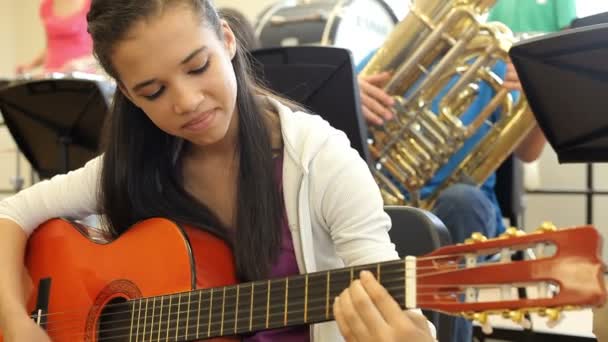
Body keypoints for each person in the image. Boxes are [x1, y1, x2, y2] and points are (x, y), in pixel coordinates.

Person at [0, 0, 435, 341]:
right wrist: (17, 322)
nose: (187, 101)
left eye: (197, 66)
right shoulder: (139, 164)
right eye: (153, 91)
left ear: (226, 40)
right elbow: (12, 215)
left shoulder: (321, 160)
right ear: (129, 97)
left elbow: (389, 298)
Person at [356, 47, 546, 341]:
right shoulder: (384, 58)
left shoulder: (495, 62)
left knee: (462, 202)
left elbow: (529, 153)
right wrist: (351, 102)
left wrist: (536, 93)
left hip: (465, 210)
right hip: (389, 205)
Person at [15, 0, 95, 74]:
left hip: (81, 75)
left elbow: (103, 49)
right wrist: (29, 66)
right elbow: (49, 47)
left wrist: (83, 63)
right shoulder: (46, 5)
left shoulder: (92, 4)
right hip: (51, 74)